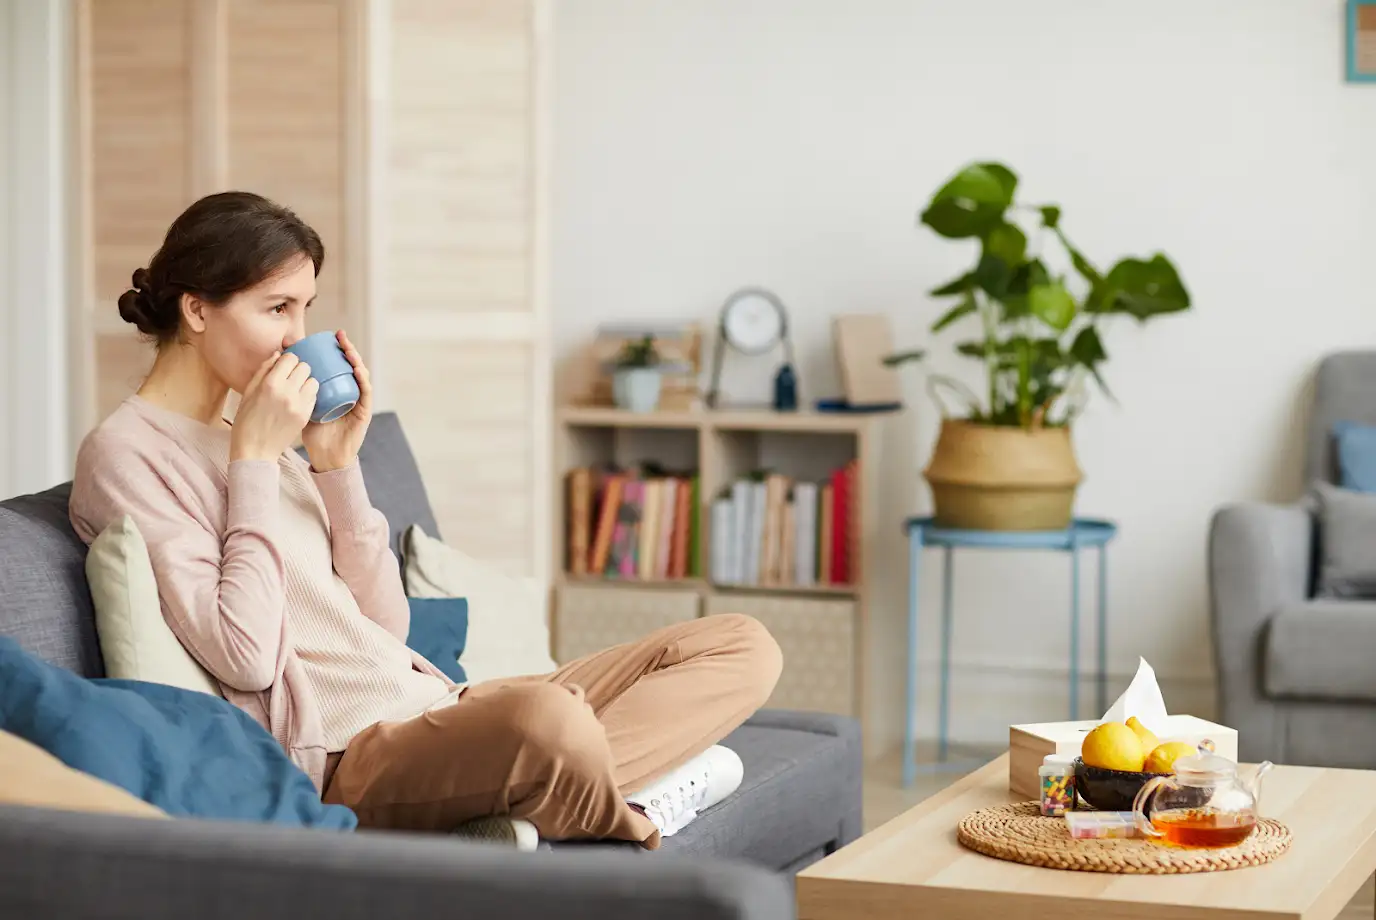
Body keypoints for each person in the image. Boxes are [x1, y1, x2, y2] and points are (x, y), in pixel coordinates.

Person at [68, 191, 782, 850]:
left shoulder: (257, 431)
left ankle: (534, 802)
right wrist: (253, 459)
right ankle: (628, 808)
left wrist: (336, 467)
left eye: (306, 310)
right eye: (277, 308)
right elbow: (246, 655)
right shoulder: (129, 454)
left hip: (440, 705)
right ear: (197, 311)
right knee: (548, 721)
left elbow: (388, 629)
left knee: (740, 645)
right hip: (353, 755)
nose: (298, 337)